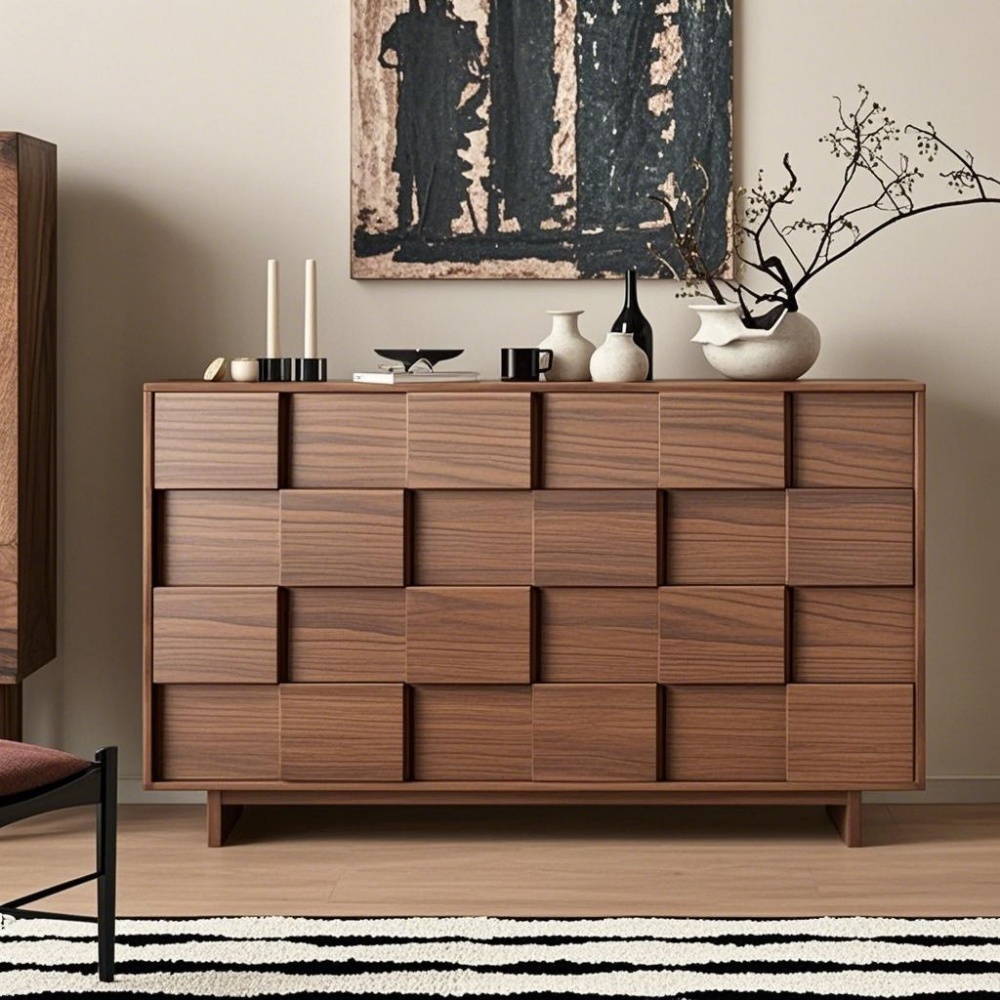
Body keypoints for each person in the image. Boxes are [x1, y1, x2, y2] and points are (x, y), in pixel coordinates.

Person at [378, 0, 487, 239]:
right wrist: (400, 53)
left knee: (442, 161)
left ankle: (437, 224)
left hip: (443, 108)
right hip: (414, 107)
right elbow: (386, 55)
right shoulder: (407, 25)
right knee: (415, 160)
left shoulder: (457, 29)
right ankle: (412, 220)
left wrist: (467, 76)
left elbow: (478, 69)